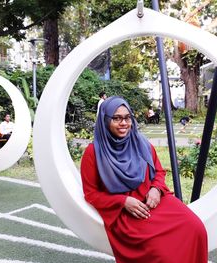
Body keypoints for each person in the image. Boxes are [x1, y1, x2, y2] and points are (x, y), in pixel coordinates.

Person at [80, 96, 207, 263]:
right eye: (116, 118)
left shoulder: (142, 143)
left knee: (196, 229)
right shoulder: (93, 153)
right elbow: (91, 194)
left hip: (155, 200)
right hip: (126, 211)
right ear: (105, 120)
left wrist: (156, 189)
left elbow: (159, 171)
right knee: (160, 252)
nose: (123, 123)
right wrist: (123, 201)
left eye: (127, 117)